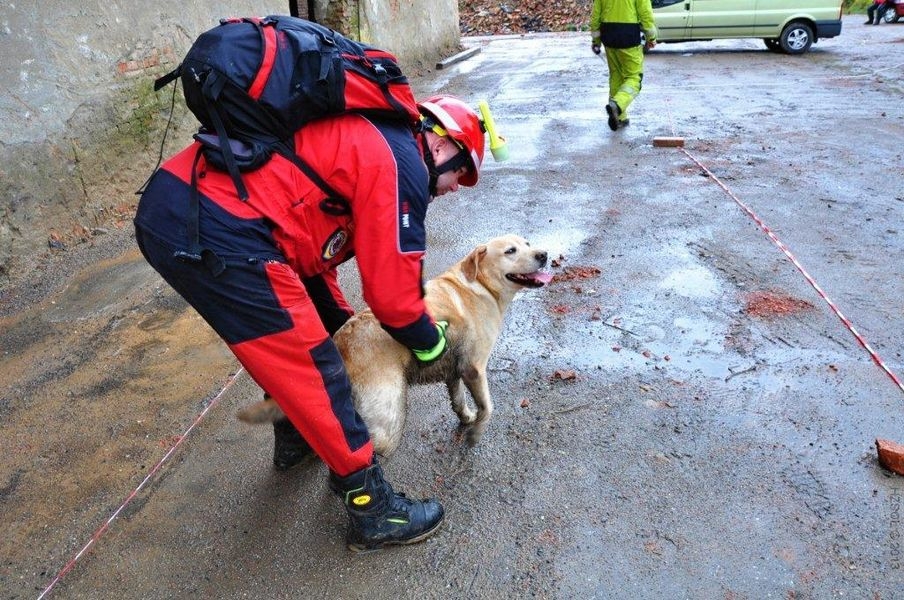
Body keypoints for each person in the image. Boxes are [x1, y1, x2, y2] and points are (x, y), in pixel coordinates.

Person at [133, 94, 487, 551]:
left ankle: (296, 438)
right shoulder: (401, 168)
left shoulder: (375, 140)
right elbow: (394, 299)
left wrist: (343, 326)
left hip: (192, 206)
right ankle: (371, 509)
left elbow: (313, 252)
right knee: (314, 368)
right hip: (216, 230)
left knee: (322, 338)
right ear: (440, 145)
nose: (457, 186)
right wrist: (431, 344)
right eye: (462, 172)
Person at [590, 0, 658, 131]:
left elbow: (596, 16)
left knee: (616, 76)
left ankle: (619, 117)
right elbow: (645, 14)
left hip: (609, 37)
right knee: (634, 78)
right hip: (629, 37)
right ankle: (618, 104)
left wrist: (596, 41)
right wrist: (651, 38)